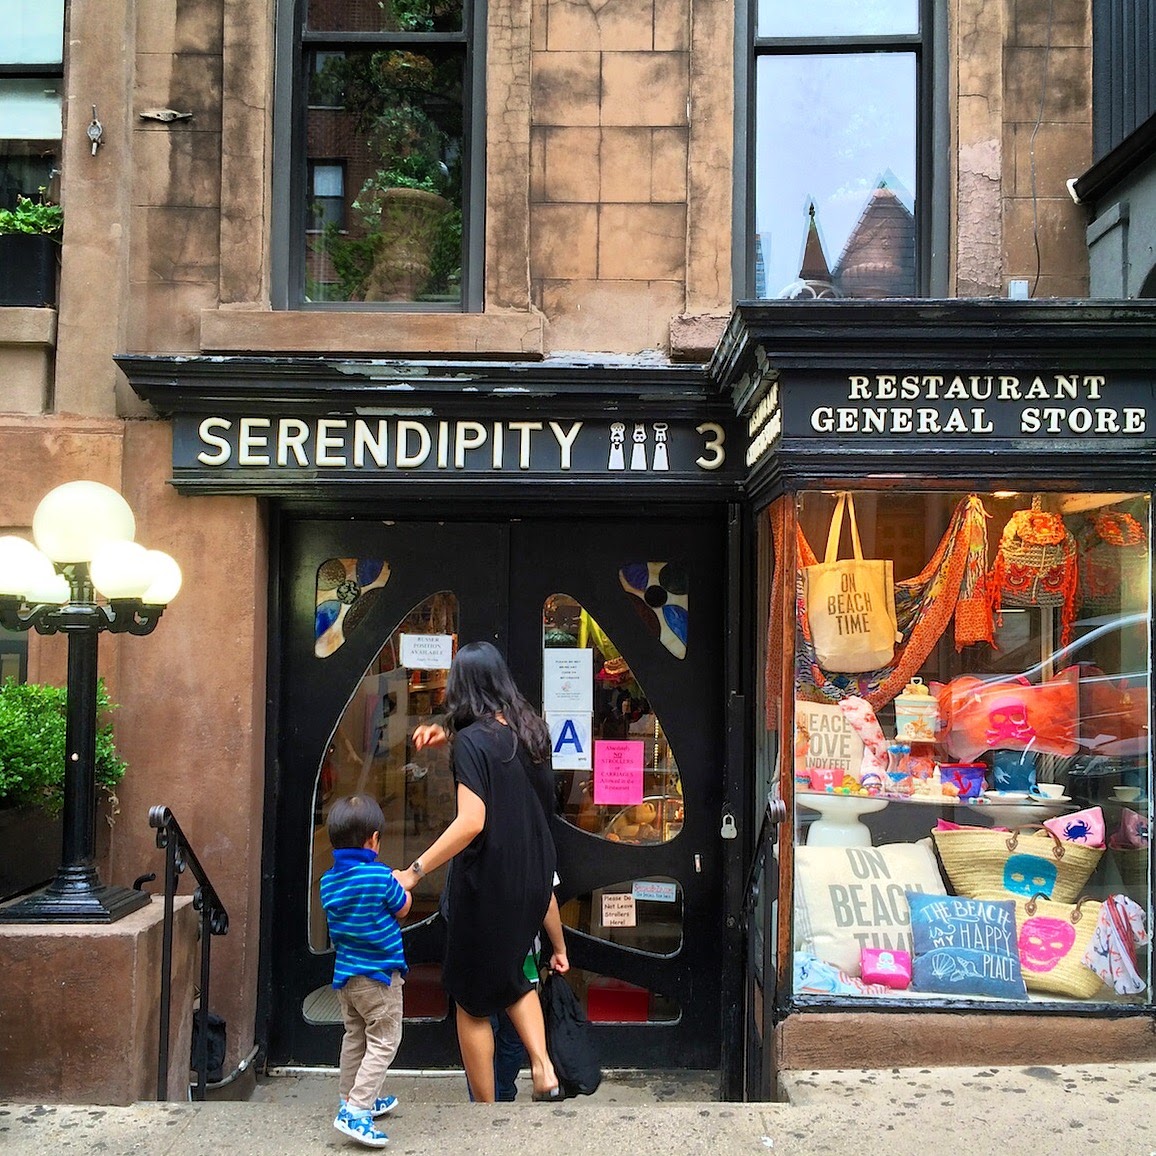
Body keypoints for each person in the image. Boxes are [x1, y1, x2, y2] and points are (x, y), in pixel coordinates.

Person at [393, 641, 570, 1103]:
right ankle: (544, 1069)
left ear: (461, 688)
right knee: (514, 975)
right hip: (534, 878)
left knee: (471, 1004)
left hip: (488, 885)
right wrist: (448, 735)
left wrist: (415, 870)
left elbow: (472, 821)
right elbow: (501, 756)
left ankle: (486, 1112)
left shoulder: (473, 742)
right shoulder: (534, 733)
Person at [320, 794, 412, 1149]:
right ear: (373, 840)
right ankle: (357, 1111)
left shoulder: (328, 882)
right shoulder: (379, 876)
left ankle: (352, 1097)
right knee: (385, 1040)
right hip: (379, 978)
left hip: (347, 978)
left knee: (354, 1038)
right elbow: (402, 908)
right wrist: (401, 882)